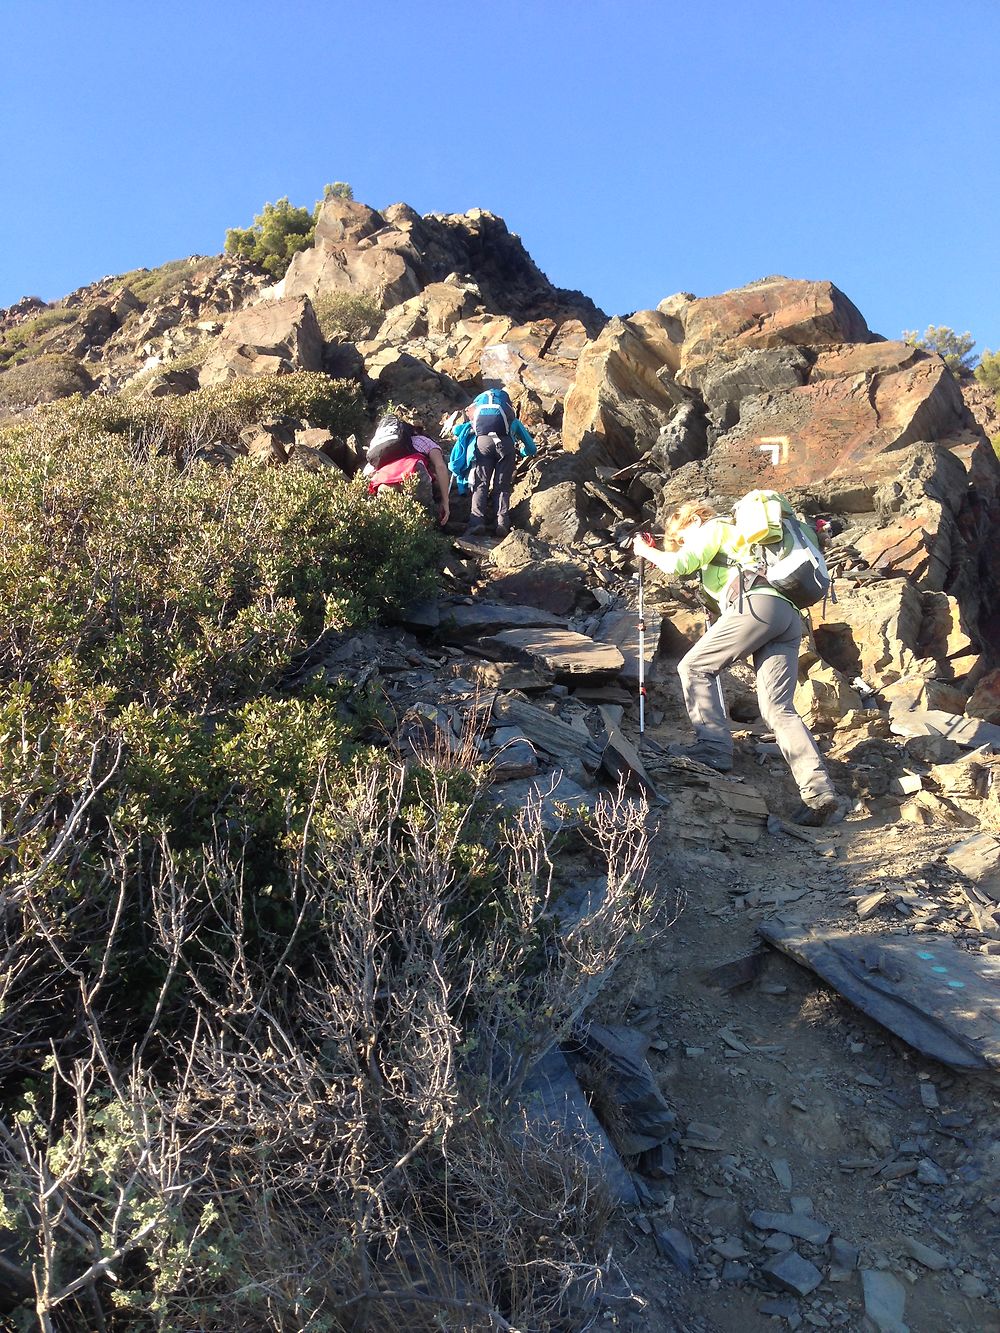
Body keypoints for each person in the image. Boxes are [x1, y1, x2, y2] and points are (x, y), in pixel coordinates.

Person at [633, 500, 845, 827]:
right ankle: (818, 791)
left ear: (692, 520)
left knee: (694, 667)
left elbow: (680, 565)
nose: (681, 542)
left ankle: (713, 748)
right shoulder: (740, 540)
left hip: (757, 605)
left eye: (679, 536)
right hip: (786, 616)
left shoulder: (713, 528)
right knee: (777, 709)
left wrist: (645, 552)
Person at [462, 388, 536, 538]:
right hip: (505, 445)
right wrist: (522, 453)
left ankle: (477, 523)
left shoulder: (477, 420)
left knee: (481, 483)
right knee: (501, 486)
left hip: (482, 443)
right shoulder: (512, 421)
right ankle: (502, 523)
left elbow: (458, 431)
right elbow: (531, 447)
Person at [365, 421, 450, 527]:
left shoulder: (382, 449)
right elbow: (440, 467)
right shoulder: (423, 440)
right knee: (425, 518)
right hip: (413, 474)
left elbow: (367, 473)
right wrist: (445, 502)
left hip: (383, 482)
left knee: (392, 523)